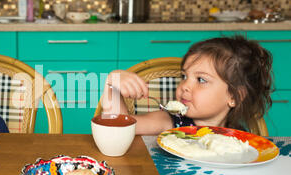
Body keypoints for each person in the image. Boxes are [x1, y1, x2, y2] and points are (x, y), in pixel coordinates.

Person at [101, 35, 273, 135]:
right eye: (184, 76)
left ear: (234, 97)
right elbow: (117, 127)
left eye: (201, 80)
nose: (184, 86)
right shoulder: (170, 121)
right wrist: (112, 84)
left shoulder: (240, 138)